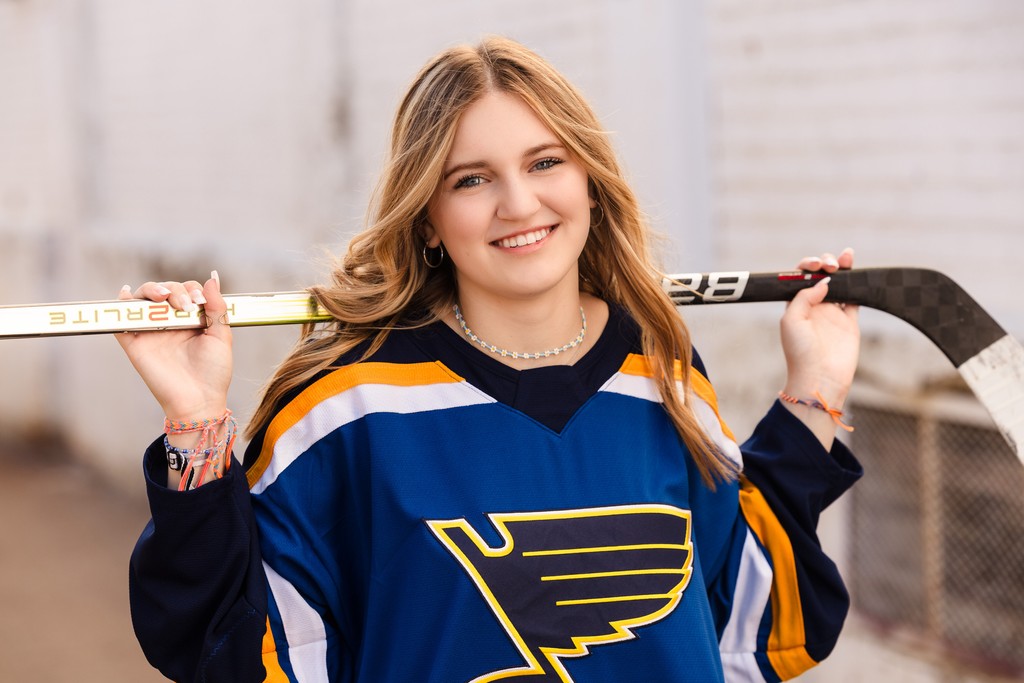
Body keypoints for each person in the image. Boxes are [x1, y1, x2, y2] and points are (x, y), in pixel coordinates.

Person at [118, 36, 862, 683]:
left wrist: (815, 389)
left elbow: (749, 608)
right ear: (429, 220)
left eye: (545, 162)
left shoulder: (660, 371)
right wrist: (195, 420)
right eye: (471, 179)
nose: (518, 202)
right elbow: (234, 644)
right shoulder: (349, 405)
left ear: (590, 184)